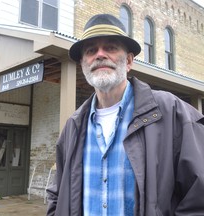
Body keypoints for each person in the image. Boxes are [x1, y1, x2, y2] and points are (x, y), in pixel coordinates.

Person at [46, 13, 204, 216]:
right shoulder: (73, 126)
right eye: (91, 50)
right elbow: (57, 194)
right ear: (83, 65)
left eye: (110, 47)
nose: (100, 55)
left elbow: (199, 195)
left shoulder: (171, 112)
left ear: (129, 60)